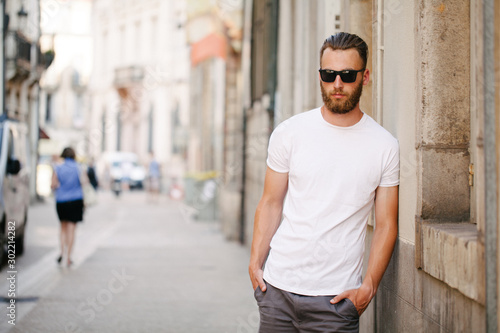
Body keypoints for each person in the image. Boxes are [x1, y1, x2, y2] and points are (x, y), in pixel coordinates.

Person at [249, 32, 399, 332]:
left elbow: (386, 224)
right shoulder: (289, 132)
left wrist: (367, 288)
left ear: (365, 76)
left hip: (336, 301)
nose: (337, 84)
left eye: (347, 75)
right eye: (329, 74)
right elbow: (270, 202)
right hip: (277, 291)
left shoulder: (384, 145)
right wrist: (255, 264)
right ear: (320, 75)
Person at [51, 147, 86, 267]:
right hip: (76, 200)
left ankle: (62, 252)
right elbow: (85, 182)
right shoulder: (79, 167)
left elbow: (53, 184)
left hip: (61, 201)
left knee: (62, 228)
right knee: (72, 229)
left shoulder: (58, 168)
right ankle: (69, 257)